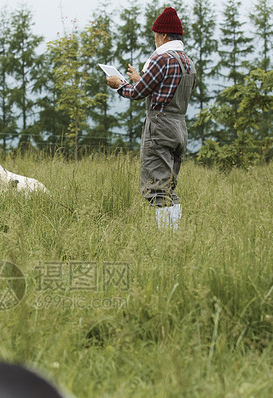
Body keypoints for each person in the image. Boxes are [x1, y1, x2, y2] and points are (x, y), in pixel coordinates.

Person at [106, 6, 195, 231]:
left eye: (156, 35)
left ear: (163, 35)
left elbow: (137, 93)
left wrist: (119, 85)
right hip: (179, 128)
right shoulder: (187, 62)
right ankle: (173, 235)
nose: (155, 40)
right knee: (168, 187)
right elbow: (165, 88)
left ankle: (168, 240)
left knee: (157, 189)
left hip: (160, 126)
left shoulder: (162, 59)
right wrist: (141, 78)